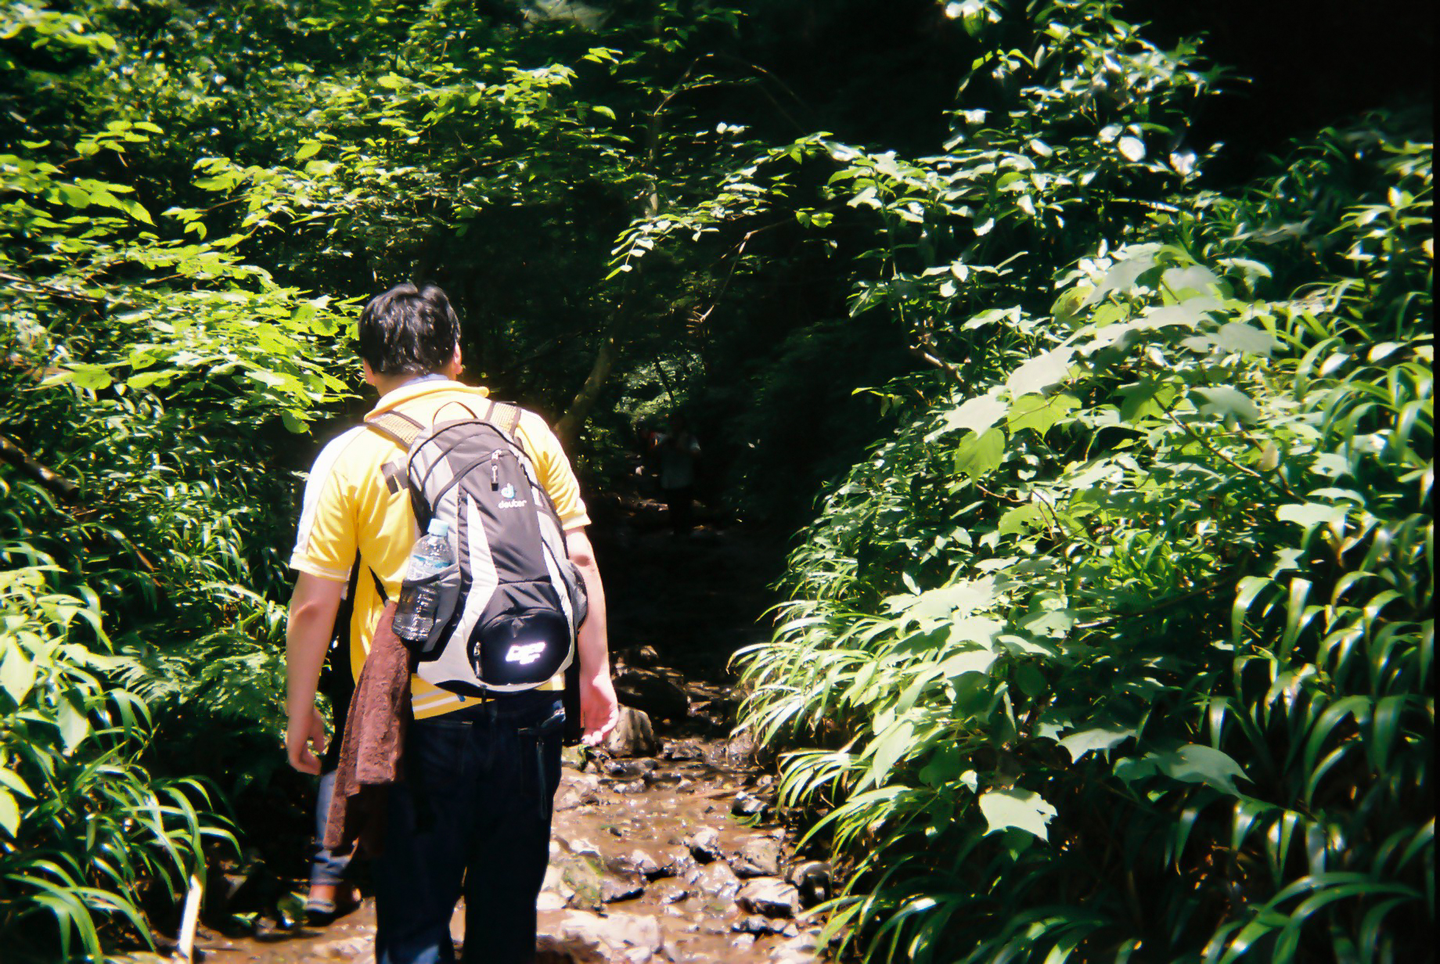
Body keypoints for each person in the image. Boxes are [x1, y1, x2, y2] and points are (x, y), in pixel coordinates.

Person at [283, 283, 619, 964]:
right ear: (457, 355)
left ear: (367, 367)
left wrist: (301, 710)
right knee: (507, 916)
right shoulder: (525, 431)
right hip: (531, 695)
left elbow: (317, 603)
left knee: (414, 923)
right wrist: (596, 674)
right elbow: (579, 557)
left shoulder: (350, 454)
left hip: (416, 714)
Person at [652, 412, 701, 535]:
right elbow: (653, 453)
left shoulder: (689, 438)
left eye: (678, 421)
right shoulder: (665, 438)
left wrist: (682, 449)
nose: (675, 424)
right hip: (668, 481)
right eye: (673, 421)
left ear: (683, 423)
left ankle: (685, 535)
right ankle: (677, 534)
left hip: (684, 480)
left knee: (685, 511)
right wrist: (665, 441)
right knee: (674, 511)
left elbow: (697, 454)